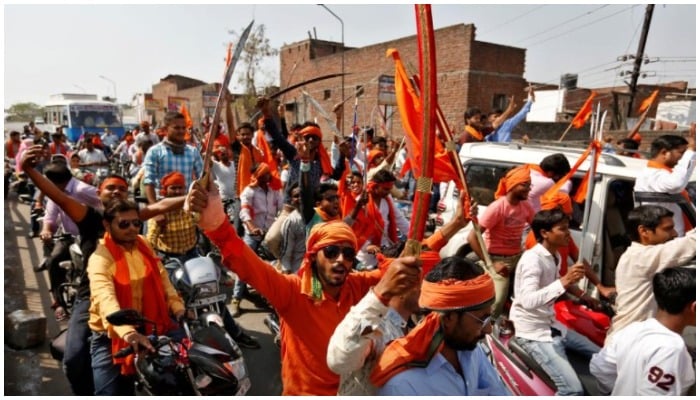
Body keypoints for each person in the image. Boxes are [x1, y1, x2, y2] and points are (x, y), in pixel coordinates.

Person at [185, 179, 421, 395]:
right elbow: (249, 266)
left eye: (348, 253)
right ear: (313, 256)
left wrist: (452, 227)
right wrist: (217, 225)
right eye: (331, 251)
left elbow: (404, 266)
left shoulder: (355, 285)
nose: (340, 259)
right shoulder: (293, 292)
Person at [20, 145, 188, 395]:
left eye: (122, 187)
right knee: (75, 359)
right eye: (111, 187)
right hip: (94, 299)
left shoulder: (135, 228)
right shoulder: (92, 220)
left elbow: (161, 208)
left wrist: (194, 194)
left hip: (138, 297)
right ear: (100, 196)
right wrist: (28, 170)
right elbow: (61, 198)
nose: (131, 228)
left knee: (183, 358)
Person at [326, 194, 472, 395]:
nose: (434, 289)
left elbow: (421, 252)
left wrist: (456, 224)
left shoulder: (418, 324)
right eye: (428, 282)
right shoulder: (375, 328)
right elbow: (339, 360)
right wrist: (381, 293)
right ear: (405, 282)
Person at [87, 198, 186, 395]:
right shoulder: (100, 259)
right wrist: (128, 332)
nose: (132, 228)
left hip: (153, 323)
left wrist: (178, 307)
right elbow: (105, 299)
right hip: (112, 335)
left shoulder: (143, 243)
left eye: (136, 223)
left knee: (187, 372)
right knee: (108, 393)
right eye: (124, 224)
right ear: (107, 225)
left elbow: (162, 277)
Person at [370, 256, 509, 395]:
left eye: (489, 318)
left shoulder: (470, 349)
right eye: (481, 320)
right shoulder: (403, 386)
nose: (489, 329)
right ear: (448, 318)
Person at [509, 208, 600, 396]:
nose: (569, 234)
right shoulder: (532, 260)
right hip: (533, 333)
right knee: (573, 390)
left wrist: (584, 296)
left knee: (604, 358)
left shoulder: (554, 255)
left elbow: (556, 279)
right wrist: (565, 281)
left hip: (553, 326)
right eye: (563, 229)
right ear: (545, 233)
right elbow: (527, 300)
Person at [590, 267, 696, 395]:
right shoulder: (672, 349)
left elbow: (600, 367)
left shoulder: (633, 329)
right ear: (694, 307)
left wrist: (621, 391)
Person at [606, 205, 696, 341]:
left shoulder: (635, 255)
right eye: (668, 229)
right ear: (644, 231)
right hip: (631, 340)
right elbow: (690, 244)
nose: (675, 234)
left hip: (633, 338)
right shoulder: (642, 258)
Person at [37, 160, 101, 321]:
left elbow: (107, 205)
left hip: (91, 236)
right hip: (68, 237)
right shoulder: (55, 193)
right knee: (53, 261)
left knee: (96, 269)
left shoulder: (84, 190)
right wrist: (46, 230)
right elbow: (50, 217)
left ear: (51, 181)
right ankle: (58, 303)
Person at [467, 165, 535, 318]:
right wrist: (491, 264)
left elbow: (538, 227)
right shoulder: (498, 207)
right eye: (524, 185)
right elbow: (472, 237)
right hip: (497, 260)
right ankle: (485, 332)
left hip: (517, 259)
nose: (528, 189)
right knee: (496, 304)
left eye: (529, 185)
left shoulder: (526, 206)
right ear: (512, 185)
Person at [523, 191, 616, 299]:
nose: (568, 232)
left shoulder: (559, 245)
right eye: (563, 227)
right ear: (545, 233)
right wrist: (571, 284)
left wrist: (598, 288)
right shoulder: (534, 256)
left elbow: (578, 261)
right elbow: (530, 299)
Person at [233, 162, 283, 316]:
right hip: (253, 234)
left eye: (269, 173)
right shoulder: (249, 191)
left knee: (279, 263)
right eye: (264, 174)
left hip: (271, 233)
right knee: (244, 264)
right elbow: (244, 212)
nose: (268, 176)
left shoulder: (275, 190)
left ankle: (275, 297)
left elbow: (281, 208)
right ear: (257, 176)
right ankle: (236, 299)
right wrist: (251, 227)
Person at [634, 133, 696, 237]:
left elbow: (681, 178)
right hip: (667, 241)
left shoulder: (665, 173)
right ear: (664, 152)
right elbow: (676, 184)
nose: (682, 158)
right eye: (681, 153)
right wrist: (690, 151)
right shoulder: (650, 174)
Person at [353, 169, 410, 269]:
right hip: (365, 257)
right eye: (385, 189)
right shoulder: (361, 201)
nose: (388, 192)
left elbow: (399, 219)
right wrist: (367, 247)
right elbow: (355, 230)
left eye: (389, 189)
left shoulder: (388, 199)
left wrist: (413, 235)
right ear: (375, 186)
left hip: (385, 251)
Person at [142, 111, 203, 204]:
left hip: (186, 207)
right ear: (166, 129)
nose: (181, 131)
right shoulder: (155, 152)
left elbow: (202, 179)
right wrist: (155, 210)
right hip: (163, 205)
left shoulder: (193, 151)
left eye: (183, 128)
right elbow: (149, 182)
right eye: (177, 128)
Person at [278, 183, 305, 274]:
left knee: (317, 289)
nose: (300, 198)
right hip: (298, 272)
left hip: (317, 274)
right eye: (296, 196)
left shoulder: (319, 216)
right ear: (292, 201)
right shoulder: (291, 222)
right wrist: (288, 278)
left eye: (302, 194)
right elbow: (286, 254)